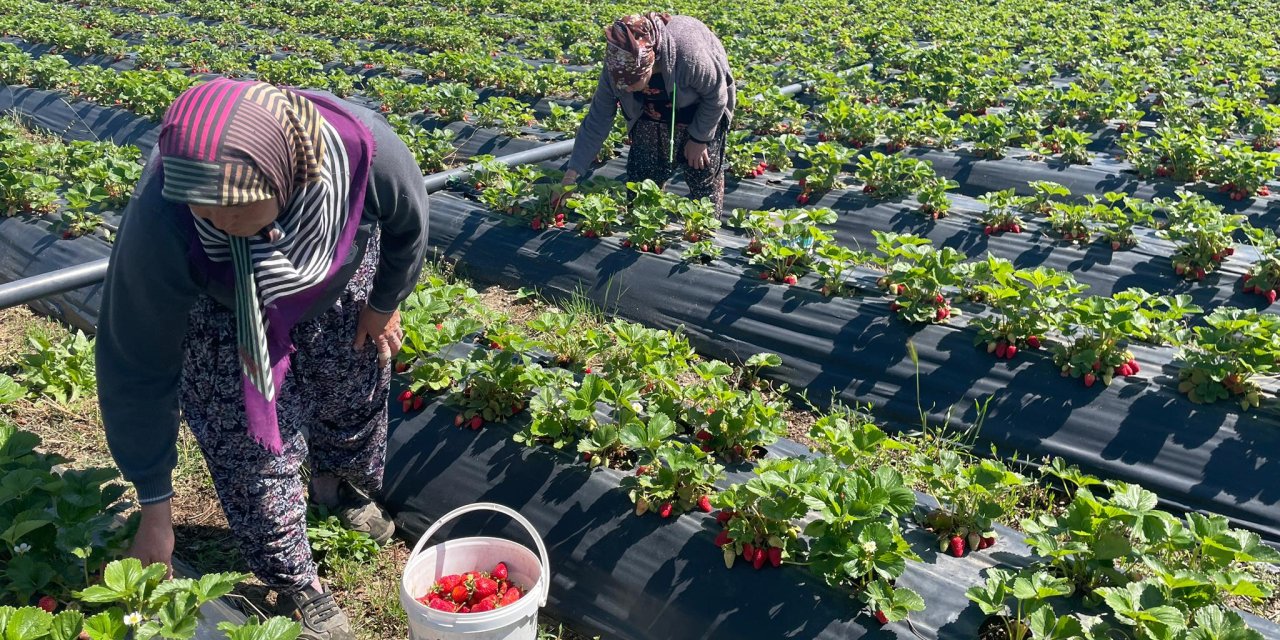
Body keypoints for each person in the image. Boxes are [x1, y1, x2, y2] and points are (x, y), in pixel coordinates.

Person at [95, 78, 429, 640]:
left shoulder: (363, 151)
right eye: (203, 207)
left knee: (353, 387)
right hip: (226, 309)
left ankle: (339, 483)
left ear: (288, 176)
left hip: (334, 274)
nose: (215, 220)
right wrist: (155, 507)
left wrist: (384, 302)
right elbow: (136, 361)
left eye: (234, 210)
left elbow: (409, 224)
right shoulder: (165, 216)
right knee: (251, 448)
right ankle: (297, 578)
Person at [560, 13, 736, 215]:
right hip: (651, 109)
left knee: (701, 168)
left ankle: (704, 228)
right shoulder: (616, 69)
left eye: (631, 83)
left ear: (648, 67)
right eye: (620, 84)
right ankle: (643, 220)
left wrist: (699, 138)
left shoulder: (688, 55)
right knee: (642, 174)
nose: (624, 89)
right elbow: (597, 119)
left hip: (701, 105)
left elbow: (716, 95)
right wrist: (571, 175)